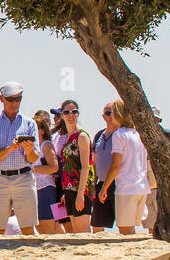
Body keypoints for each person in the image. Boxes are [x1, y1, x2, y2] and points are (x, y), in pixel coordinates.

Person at [0, 81, 40, 235]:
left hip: (24, 176)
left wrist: (28, 150)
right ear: (2, 99)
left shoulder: (29, 123)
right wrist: (11, 148)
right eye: (11, 99)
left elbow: (34, 158)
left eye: (18, 99)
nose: (15, 103)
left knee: (28, 228)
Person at [100, 100, 151, 235]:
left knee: (125, 231)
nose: (111, 117)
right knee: (131, 229)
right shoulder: (139, 134)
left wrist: (104, 188)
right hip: (142, 188)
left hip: (126, 188)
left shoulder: (119, 134)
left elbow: (116, 165)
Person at [54, 100, 95, 233]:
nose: (70, 115)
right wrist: (66, 193)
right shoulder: (67, 137)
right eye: (66, 112)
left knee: (83, 233)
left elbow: (85, 167)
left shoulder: (81, 136)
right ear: (62, 115)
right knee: (75, 232)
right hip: (69, 189)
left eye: (74, 112)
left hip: (81, 189)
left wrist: (81, 194)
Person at [144, 105, 170, 234]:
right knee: (150, 219)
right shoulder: (140, 135)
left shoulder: (169, 135)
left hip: (163, 181)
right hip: (146, 182)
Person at [90, 102, 118, 232]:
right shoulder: (99, 135)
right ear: (103, 116)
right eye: (108, 113)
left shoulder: (122, 134)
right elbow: (94, 162)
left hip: (117, 183)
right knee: (97, 224)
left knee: (123, 222)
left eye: (113, 112)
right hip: (101, 184)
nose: (111, 116)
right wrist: (94, 185)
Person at [33, 111, 62, 234]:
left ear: (42, 130)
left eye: (36, 127)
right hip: (34, 189)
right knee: (39, 226)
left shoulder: (46, 144)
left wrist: (33, 169)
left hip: (46, 188)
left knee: (49, 225)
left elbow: (54, 167)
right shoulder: (32, 146)